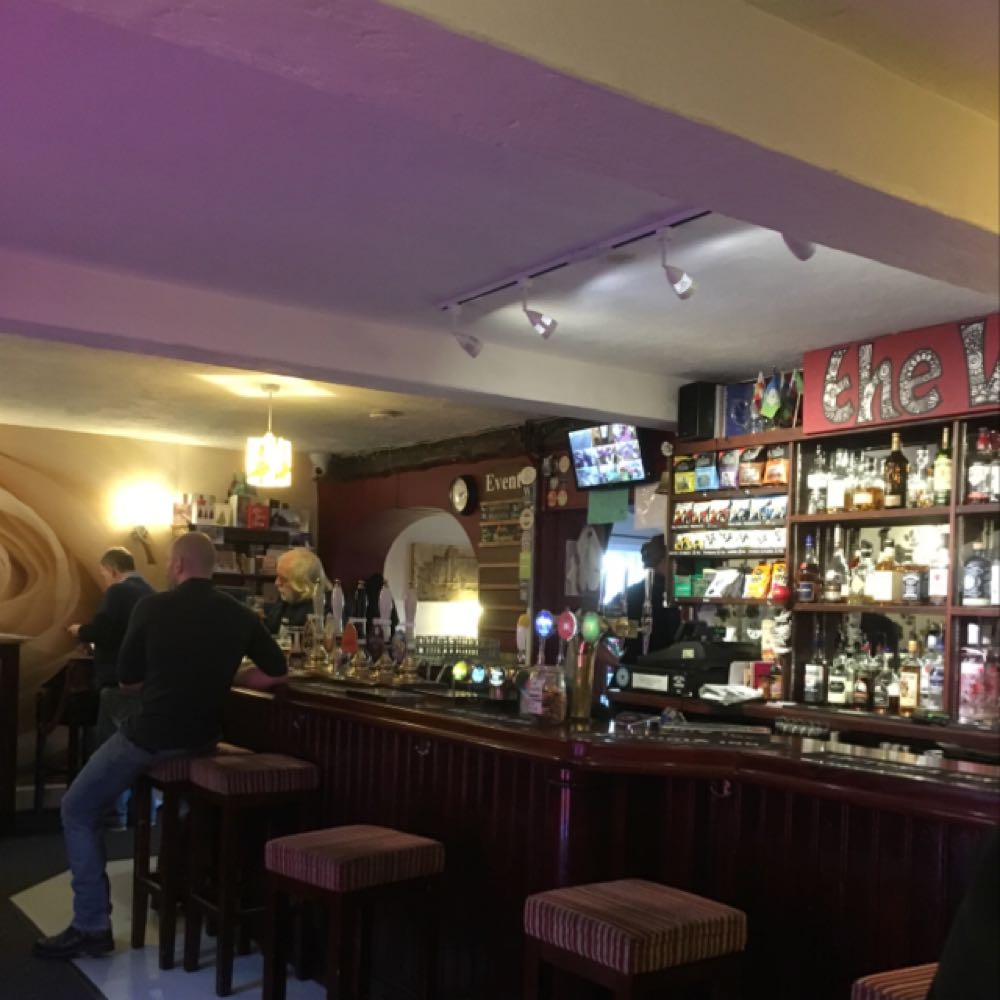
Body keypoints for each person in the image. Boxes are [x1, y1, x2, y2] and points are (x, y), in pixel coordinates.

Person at [33, 531, 287, 961]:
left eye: (170, 562)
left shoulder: (152, 607)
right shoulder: (241, 613)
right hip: (203, 740)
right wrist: (226, 677)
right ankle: (183, 882)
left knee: (76, 808)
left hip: (151, 737)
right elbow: (277, 673)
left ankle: (91, 925)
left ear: (179, 564)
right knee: (182, 806)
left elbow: (128, 681)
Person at [68, 547, 155, 830]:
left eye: (103, 574)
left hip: (116, 682)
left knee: (109, 752)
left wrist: (80, 631)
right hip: (147, 684)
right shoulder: (152, 593)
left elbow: (103, 631)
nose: (104, 580)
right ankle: (142, 813)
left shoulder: (118, 592)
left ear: (113, 570)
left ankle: (109, 812)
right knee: (138, 750)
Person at [595, 534, 681, 698]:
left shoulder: (629, 596)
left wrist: (620, 664)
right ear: (666, 560)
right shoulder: (678, 599)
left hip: (630, 682)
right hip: (665, 686)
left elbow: (590, 635)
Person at [264, 547, 327, 634]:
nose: (276, 583)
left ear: (302, 582)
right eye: (277, 576)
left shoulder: (321, 612)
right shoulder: (287, 599)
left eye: (283, 579)